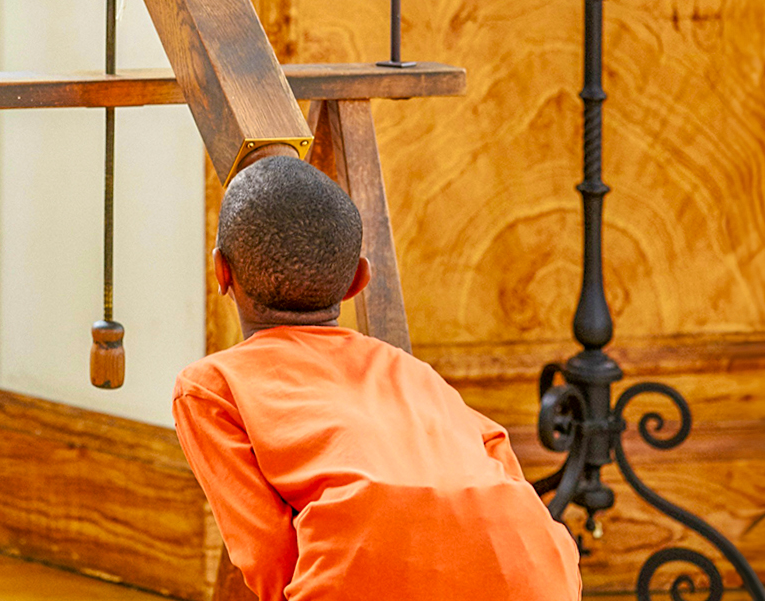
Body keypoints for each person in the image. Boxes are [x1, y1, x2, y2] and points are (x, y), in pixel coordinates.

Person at [173, 156, 582, 601]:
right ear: (359, 280)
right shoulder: (411, 370)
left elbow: (268, 555)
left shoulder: (211, 387)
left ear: (222, 272)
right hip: (540, 575)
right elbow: (498, 454)